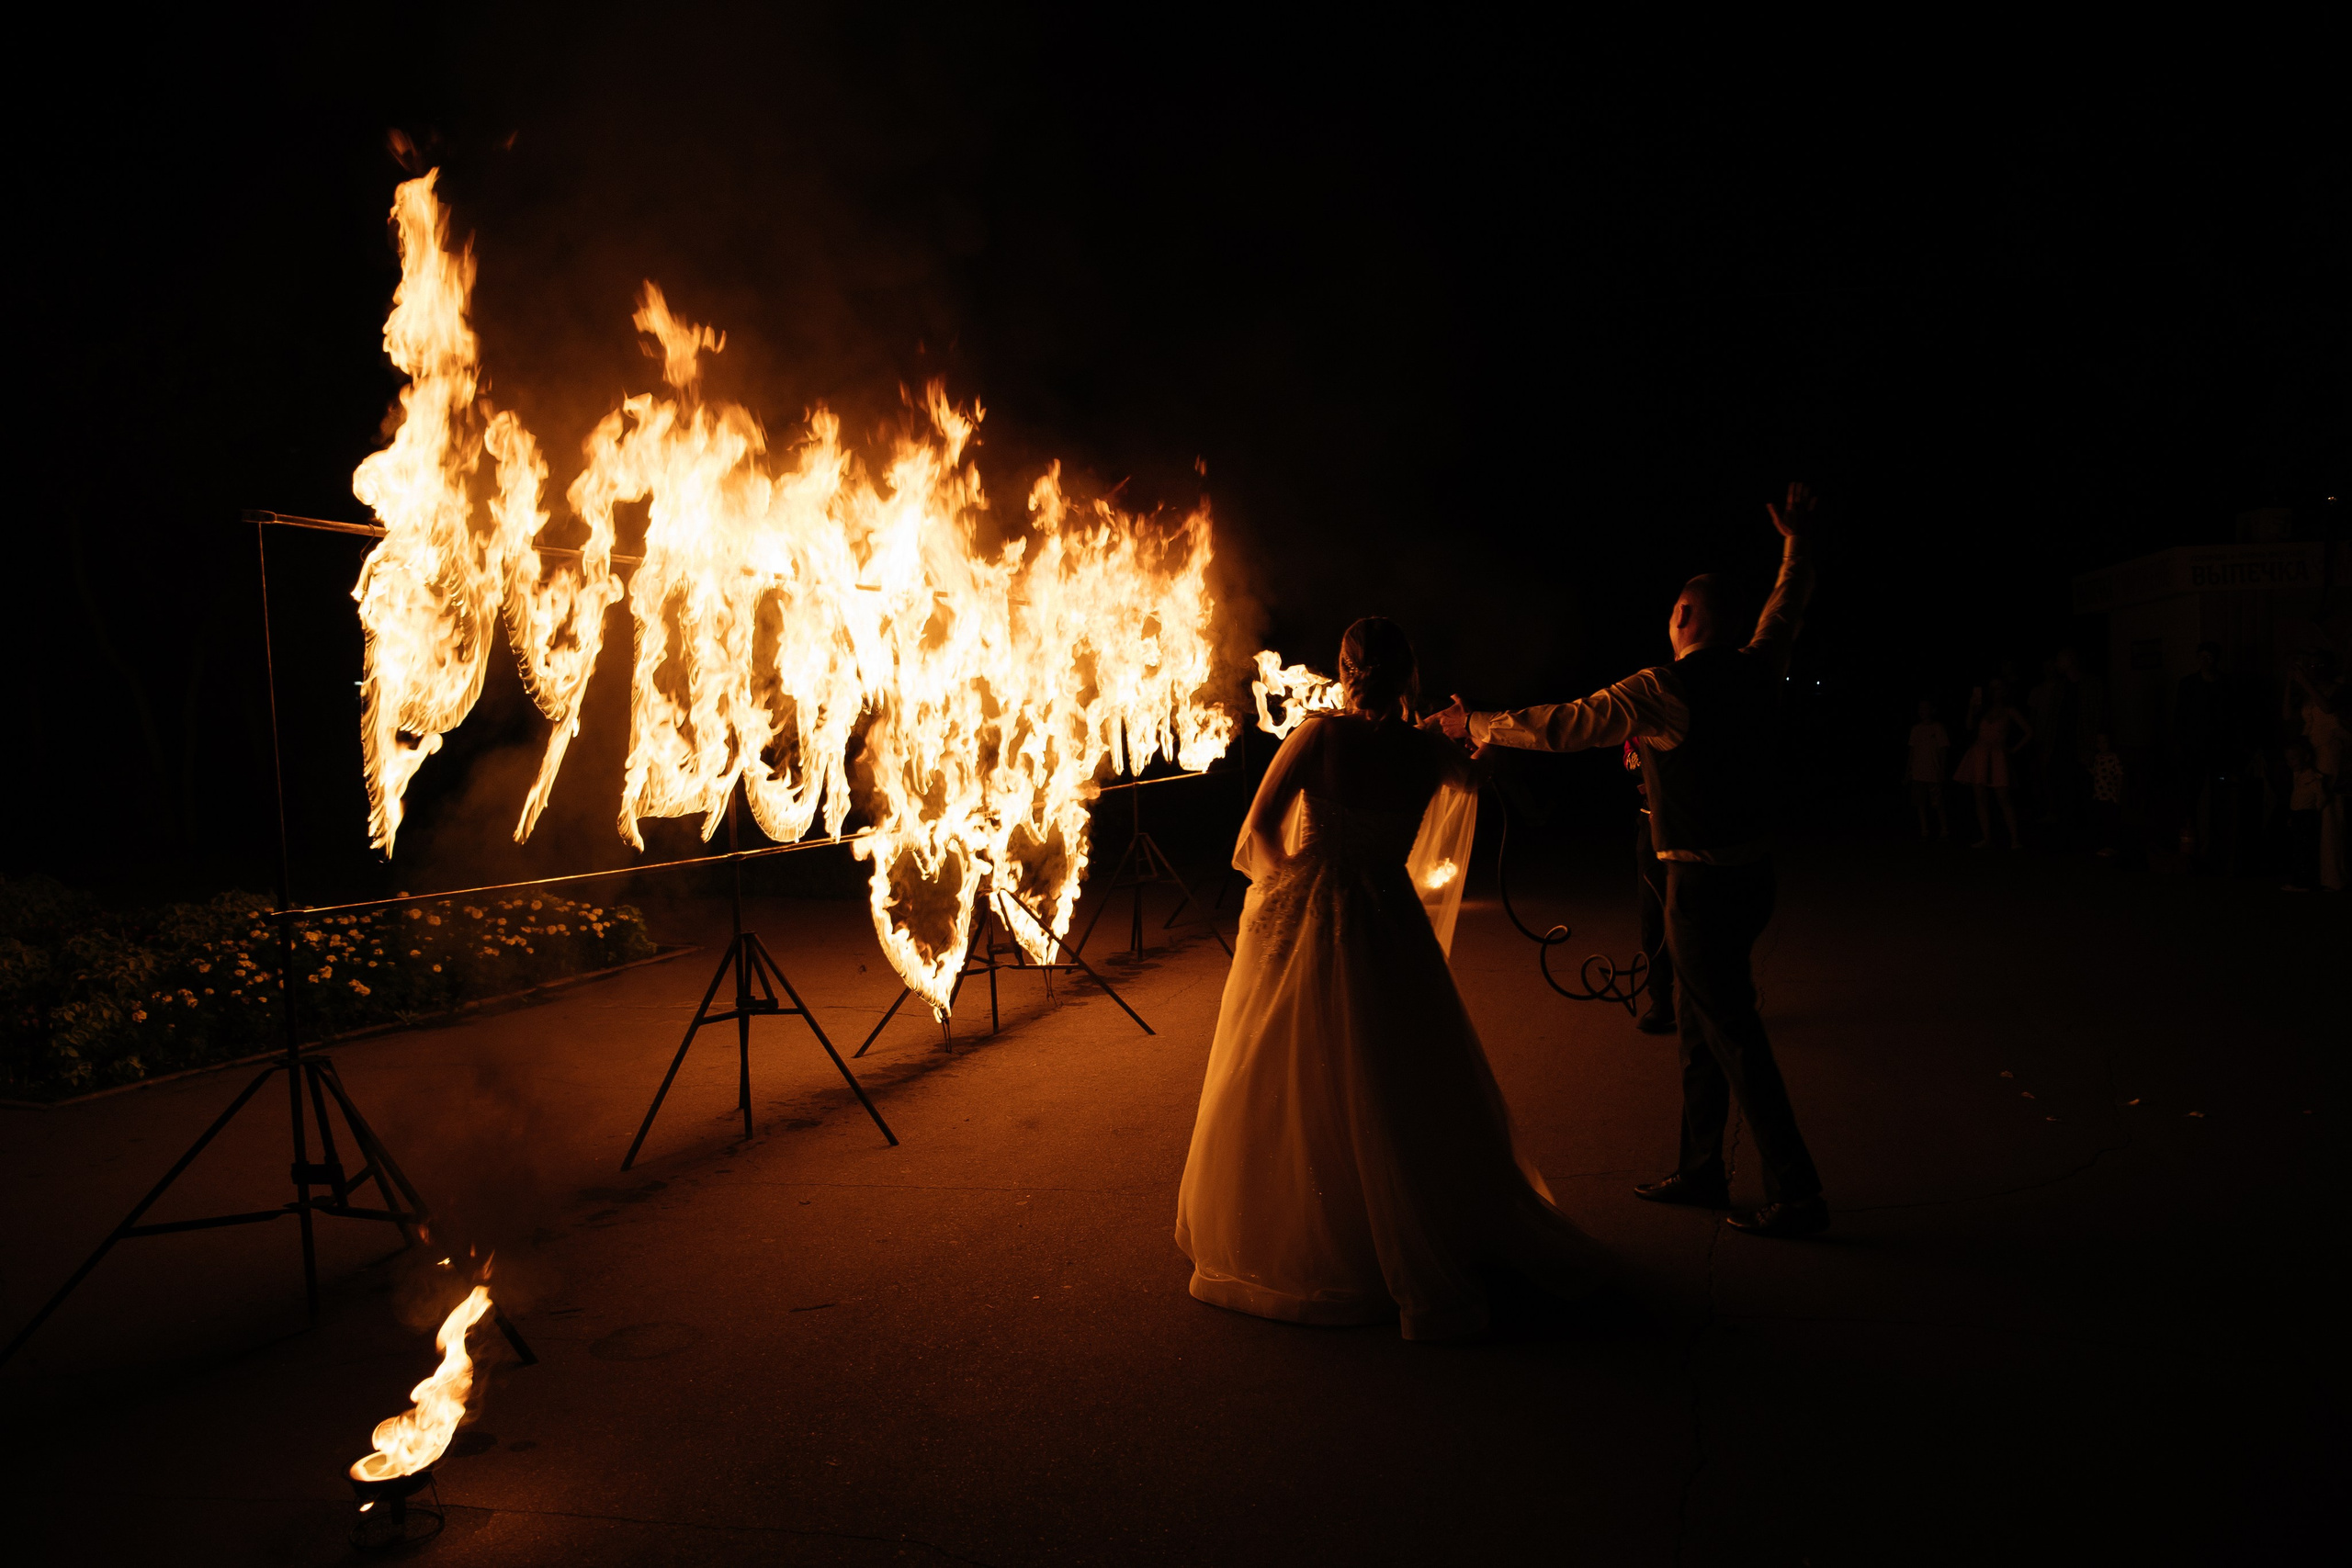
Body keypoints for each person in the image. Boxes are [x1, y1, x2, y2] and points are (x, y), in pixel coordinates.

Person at [1176, 616, 1610, 1339]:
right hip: (1388, 917)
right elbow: (1479, 782)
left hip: (1313, 907)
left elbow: (1257, 833)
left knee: (1297, 1074)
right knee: (1395, 1072)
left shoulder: (1318, 736)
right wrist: (1474, 739)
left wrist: (1290, 898)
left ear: (1347, 670)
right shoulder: (1424, 754)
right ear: (1408, 672)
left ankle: (1319, 1239)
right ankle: (1418, 1230)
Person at [1437, 482, 1828, 1239]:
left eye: (1674, 611)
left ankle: (1798, 1189)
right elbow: (1790, 602)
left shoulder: (1663, 686)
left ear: (1683, 616)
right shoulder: (1760, 661)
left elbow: (1563, 725)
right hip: (1754, 879)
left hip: (1702, 886)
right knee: (1698, 1024)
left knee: (1733, 1034)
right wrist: (1798, 544)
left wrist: (1471, 721)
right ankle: (1703, 1166)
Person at [1625, 740, 1678, 1032]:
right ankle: (1662, 1002)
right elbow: (1630, 759)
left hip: (1697, 824)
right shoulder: (1641, 715)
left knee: (1701, 916)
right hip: (1652, 823)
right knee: (1652, 916)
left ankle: (1713, 1003)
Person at [1953, 678, 2032, 850]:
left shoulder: (2010, 711)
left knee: (2003, 796)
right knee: (1980, 797)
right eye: (1993, 688)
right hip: (1979, 753)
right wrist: (1971, 707)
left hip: (1997, 755)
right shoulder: (1983, 710)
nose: (1996, 691)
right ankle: (1986, 838)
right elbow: (1968, 726)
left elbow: (2029, 732)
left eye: (1999, 688)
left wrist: (2012, 750)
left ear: (2004, 690)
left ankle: (2014, 839)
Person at [2281, 738, 2325, 892]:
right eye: (2288, 759)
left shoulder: (2311, 777)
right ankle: (2301, 880)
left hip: (2307, 815)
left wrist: (2315, 811)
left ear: (2305, 757)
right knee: (2298, 849)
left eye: (2293, 758)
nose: (2290, 763)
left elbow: (2321, 796)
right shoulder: (2298, 776)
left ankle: (2305, 882)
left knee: (2305, 850)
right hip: (2298, 815)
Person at [1907, 699, 1951, 840]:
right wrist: (1908, 771)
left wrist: (1942, 769)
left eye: (1926, 708)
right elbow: (1912, 751)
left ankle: (1944, 828)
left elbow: (1943, 749)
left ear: (1932, 710)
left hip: (1933, 771)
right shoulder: (1916, 729)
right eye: (1920, 708)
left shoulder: (1938, 727)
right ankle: (1924, 828)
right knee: (1920, 802)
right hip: (1918, 772)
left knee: (1937, 802)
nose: (1922, 711)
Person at [2089, 731, 2125, 858]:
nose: (2102, 745)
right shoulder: (2098, 757)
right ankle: (2103, 845)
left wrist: (2118, 793)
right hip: (2098, 795)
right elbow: (2096, 773)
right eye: (2099, 742)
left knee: (2110, 821)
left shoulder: (2113, 757)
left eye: (2104, 741)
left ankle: (2111, 846)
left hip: (2110, 795)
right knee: (2102, 820)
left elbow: (2120, 775)